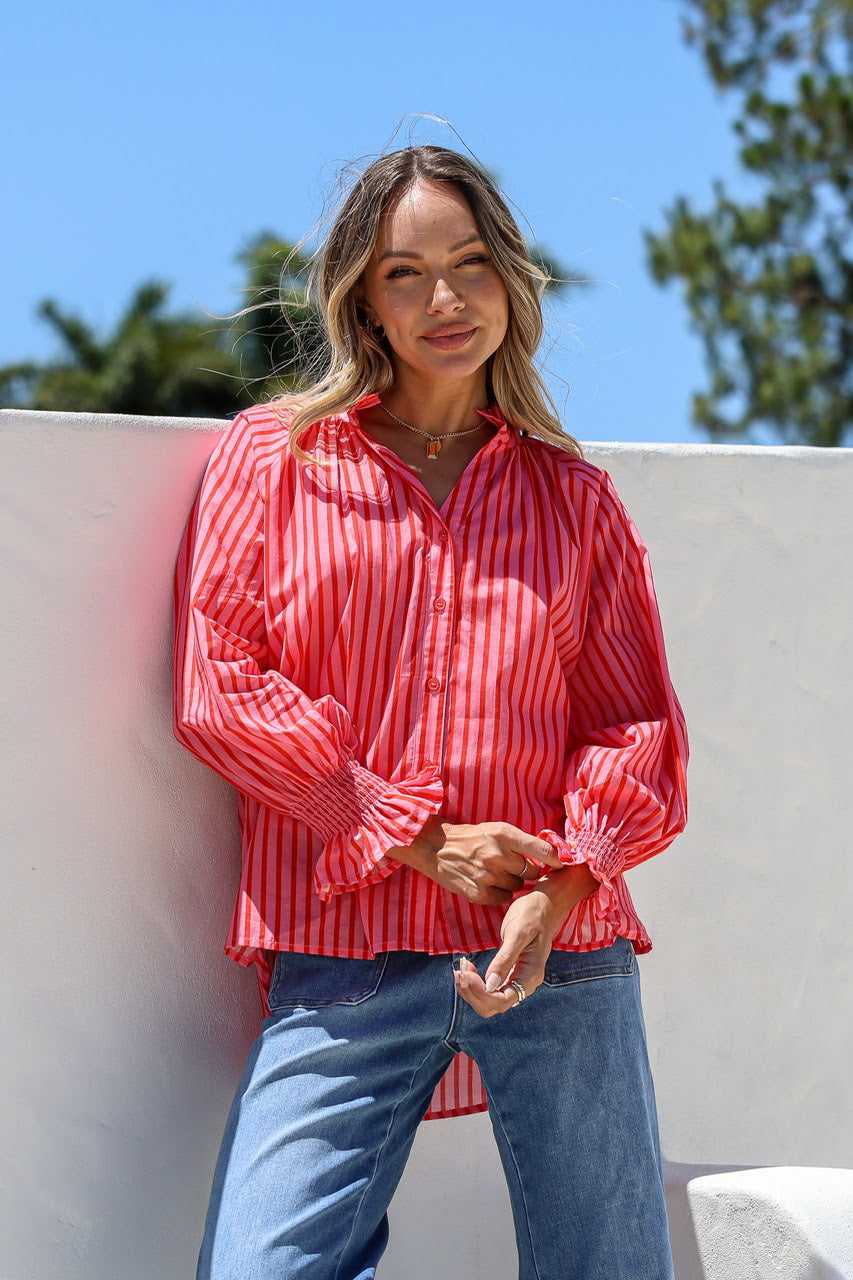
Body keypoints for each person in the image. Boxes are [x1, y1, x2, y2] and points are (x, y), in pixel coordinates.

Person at [173, 144, 688, 1280]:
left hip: (557, 952)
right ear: (363, 294)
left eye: (470, 264)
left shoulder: (574, 500)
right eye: (405, 273)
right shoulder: (275, 460)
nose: (445, 300)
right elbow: (222, 684)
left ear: (512, 277)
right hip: (347, 954)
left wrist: (552, 896)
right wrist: (425, 837)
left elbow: (636, 732)